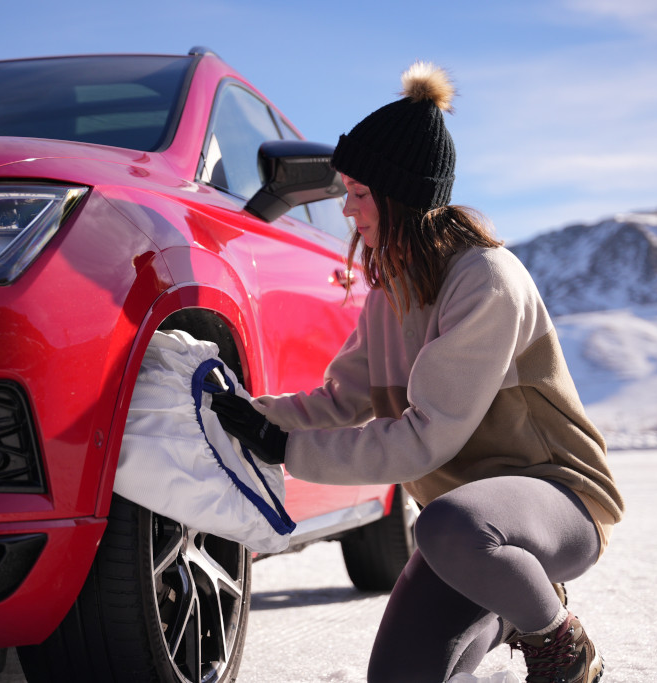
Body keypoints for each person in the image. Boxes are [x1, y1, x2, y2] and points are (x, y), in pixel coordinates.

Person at [210, 61, 623, 683]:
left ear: (399, 196)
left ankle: (560, 645)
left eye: (357, 193)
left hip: (556, 502)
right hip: (468, 530)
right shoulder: (389, 293)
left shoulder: (486, 279)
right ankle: (517, 606)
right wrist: (252, 413)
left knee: (449, 524)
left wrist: (288, 451)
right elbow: (340, 399)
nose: (346, 210)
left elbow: (427, 436)